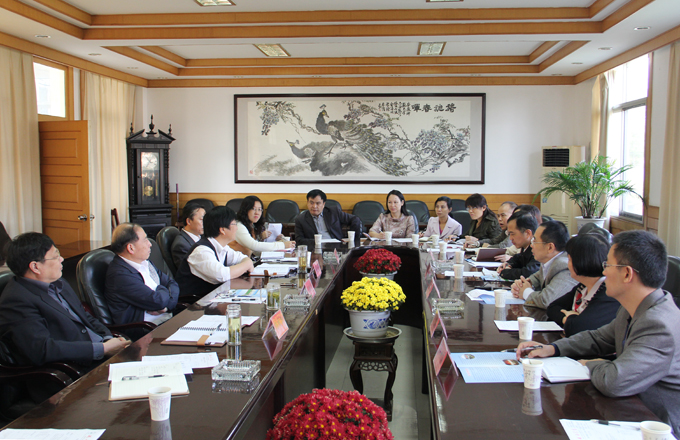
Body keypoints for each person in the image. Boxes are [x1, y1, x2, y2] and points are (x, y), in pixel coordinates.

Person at [517, 231, 680, 435]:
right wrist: (552, 348)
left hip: (655, 426)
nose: (603, 272)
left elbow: (614, 381)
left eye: (608, 265)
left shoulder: (658, 324)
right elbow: (599, 337)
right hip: (629, 409)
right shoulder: (635, 307)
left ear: (627, 274)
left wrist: (590, 364)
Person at [0, 232, 128, 367]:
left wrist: (107, 338)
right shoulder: (16, 301)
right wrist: (103, 349)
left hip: (100, 353)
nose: (61, 259)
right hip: (74, 367)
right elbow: (42, 349)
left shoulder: (58, 282)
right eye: (55, 257)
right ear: (35, 267)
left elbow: (84, 316)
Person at [105, 223, 179, 326]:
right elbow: (158, 301)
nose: (150, 244)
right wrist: (162, 289)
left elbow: (172, 283)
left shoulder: (145, 263)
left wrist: (166, 307)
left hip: (167, 318)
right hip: (147, 329)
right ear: (131, 248)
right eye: (145, 240)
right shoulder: (120, 275)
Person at [547, 233, 620, 336]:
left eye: (570, 259)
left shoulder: (606, 292)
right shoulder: (583, 287)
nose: (568, 264)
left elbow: (577, 328)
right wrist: (566, 319)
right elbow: (552, 308)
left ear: (581, 262)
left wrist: (571, 319)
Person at [175, 206, 255, 297]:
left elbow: (241, 258)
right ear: (222, 230)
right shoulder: (201, 251)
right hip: (194, 303)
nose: (237, 228)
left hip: (213, 298)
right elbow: (222, 275)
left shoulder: (222, 247)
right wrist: (247, 264)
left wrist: (247, 262)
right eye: (234, 224)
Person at [511, 220, 578, 308]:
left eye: (535, 241)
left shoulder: (566, 267)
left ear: (550, 247)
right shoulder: (549, 261)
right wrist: (522, 285)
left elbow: (546, 301)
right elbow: (537, 278)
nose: (531, 245)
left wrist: (525, 292)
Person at [230, 195, 295, 257]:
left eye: (259, 209)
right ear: (245, 210)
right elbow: (254, 246)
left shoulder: (252, 225)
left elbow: (256, 251)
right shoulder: (238, 226)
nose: (257, 213)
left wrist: (279, 241)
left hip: (246, 261)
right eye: (254, 209)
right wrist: (282, 245)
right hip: (235, 263)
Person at [294, 189, 363, 241]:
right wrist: (316, 242)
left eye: (318, 203)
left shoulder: (334, 212)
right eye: (311, 203)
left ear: (323, 204)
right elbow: (299, 240)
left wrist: (352, 239)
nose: (314, 206)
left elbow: (355, 219)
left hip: (336, 247)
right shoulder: (300, 219)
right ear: (307, 203)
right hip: (315, 249)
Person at [497, 212, 540, 281]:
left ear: (528, 233)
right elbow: (519, 258)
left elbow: (528, 273)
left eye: (513, 234)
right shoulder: (525, 247)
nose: (510, 238)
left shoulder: (539, 249)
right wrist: (508, 264)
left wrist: (504, 272)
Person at [171, 202, 205, 269]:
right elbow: (189, 271)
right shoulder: (181, 245)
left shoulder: (202, 237)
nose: (205, 223)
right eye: (201, 220)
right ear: (189, 221)